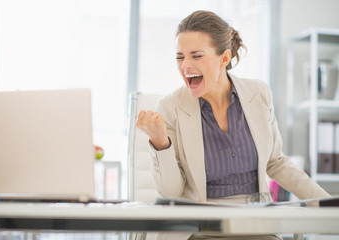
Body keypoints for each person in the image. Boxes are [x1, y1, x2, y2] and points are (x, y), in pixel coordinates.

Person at [136, 10, 330, 240]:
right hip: (201, 229)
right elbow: (170, 192)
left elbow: (276, 162)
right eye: (180, 57)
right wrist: (160, 143)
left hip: (256, 225)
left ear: (224, 58)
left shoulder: (258, 94)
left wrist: (326, 205)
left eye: (196, 56)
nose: (185, 65)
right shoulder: (170, 107)